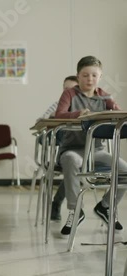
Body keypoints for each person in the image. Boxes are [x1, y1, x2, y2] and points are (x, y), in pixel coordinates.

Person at [55, 55, 126, 235]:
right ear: (78, 76)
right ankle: (75, 210)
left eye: (94, 75)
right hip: (73, 149)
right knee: (70, 160)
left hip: (97, 151)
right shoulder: (69, 94)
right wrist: (78, 113)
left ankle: (105, 206)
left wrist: (113, 112)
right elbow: (59, 115)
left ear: (100, 77)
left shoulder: (104, 96)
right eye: (85, 75)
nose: (90, 79)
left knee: (124, 169)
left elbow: (119, 114)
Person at [37, 76, 78, 221]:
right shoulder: (57, 105)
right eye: (65, 88)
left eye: (71, 89)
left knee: (74, 169)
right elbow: (39, 124)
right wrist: (51, 117)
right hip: (64, 150)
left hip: (82, 152)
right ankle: (58, 202)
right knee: (71, 166)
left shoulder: (86, 107)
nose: (67, 91)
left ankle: (57, 202)